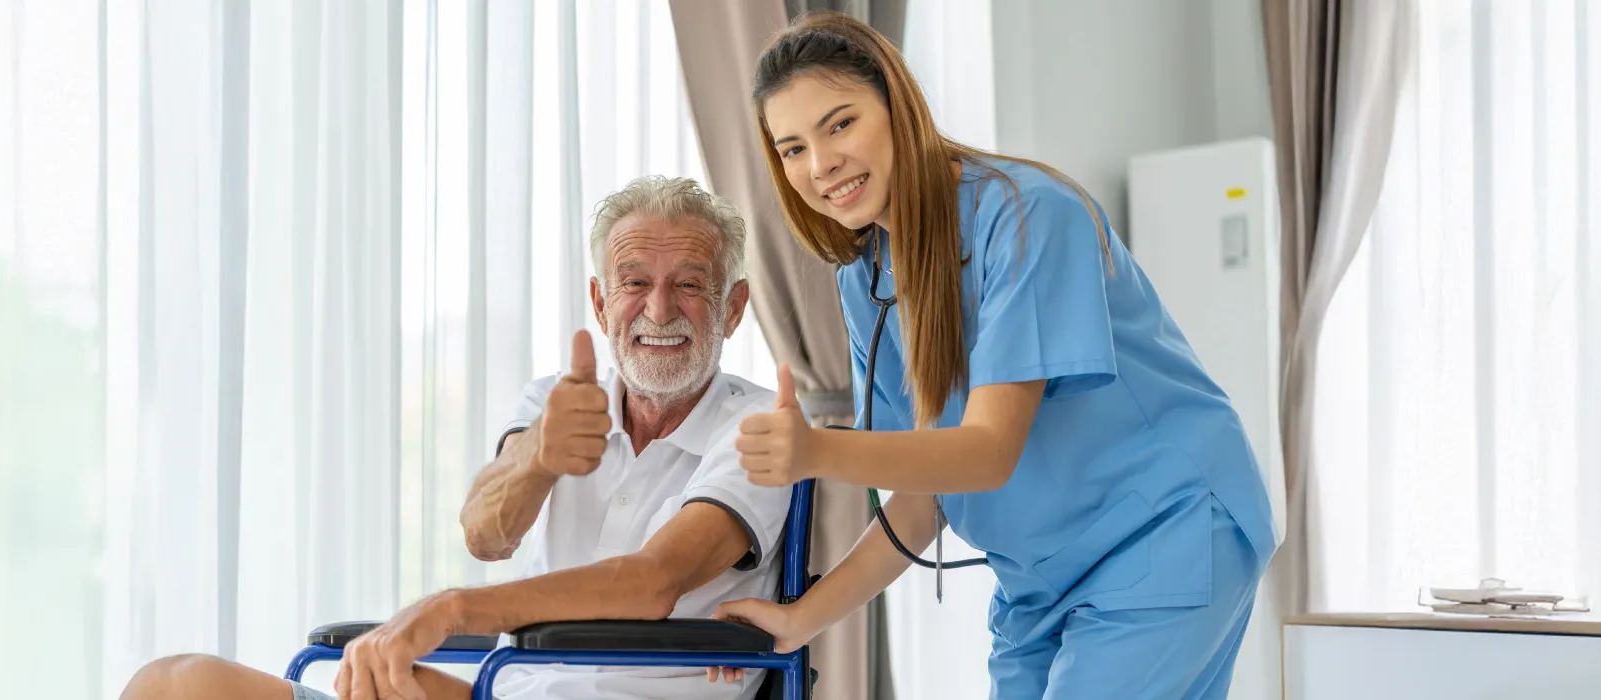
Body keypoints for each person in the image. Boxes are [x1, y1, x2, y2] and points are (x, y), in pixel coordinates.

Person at [711, 12, 1278, 699]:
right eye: (792, 147)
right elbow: (925, 499)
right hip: (1037, 582)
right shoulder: (865, 280)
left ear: (898, 106)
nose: (820, 164)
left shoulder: (1028, 214)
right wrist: (800, 620)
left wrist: (816, 450)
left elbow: (986, 450)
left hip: (1163, 535)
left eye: (839, 124)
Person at [120, 176, 794, 700]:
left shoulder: (760, 429)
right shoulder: (558, 398)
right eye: (635, 283)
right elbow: (485, 534)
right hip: (504, 687)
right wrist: (538, 454)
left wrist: (449, 610)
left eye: (689, 286)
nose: (658, 309)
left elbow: (653, 583)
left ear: (732, 308)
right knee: (175, 684)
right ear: (599, 301)